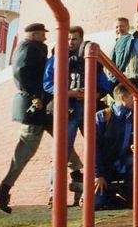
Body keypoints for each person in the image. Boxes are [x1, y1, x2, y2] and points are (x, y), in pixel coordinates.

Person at [43, 26, 111, 207]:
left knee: (94, 147)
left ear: (81, 39)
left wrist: (93, 95)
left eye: (74, 39)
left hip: (88, 109)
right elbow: (48, 84)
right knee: (61, 151)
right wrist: (71, 93)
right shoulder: (57, 59)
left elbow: (104, 85)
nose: (71, 42)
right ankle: (54, 193)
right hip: (68, 110)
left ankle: (94, 189)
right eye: (68, 39)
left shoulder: (93, 59)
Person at [0, 23, 53, 213]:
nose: (45, 37)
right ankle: (3, 188)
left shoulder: (29, 48)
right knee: (26, 148)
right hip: (34, 106)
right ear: (34, 34)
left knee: (62, 137)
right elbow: (22, 74)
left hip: (38, 106)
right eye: (42, 34)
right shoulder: (29, 48)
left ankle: (77, 174)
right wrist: (35, 96)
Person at [94, 84, 136, 210]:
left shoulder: (133, 115)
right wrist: (98, 174)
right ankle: (110, 197)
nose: (135, 101)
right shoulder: (102, 117)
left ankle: (125, 194)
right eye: (132, 98)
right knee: (95, 203)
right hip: (104, 166)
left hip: (122, 162)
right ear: (123, 97)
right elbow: (93, 148)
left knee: (137, 161)